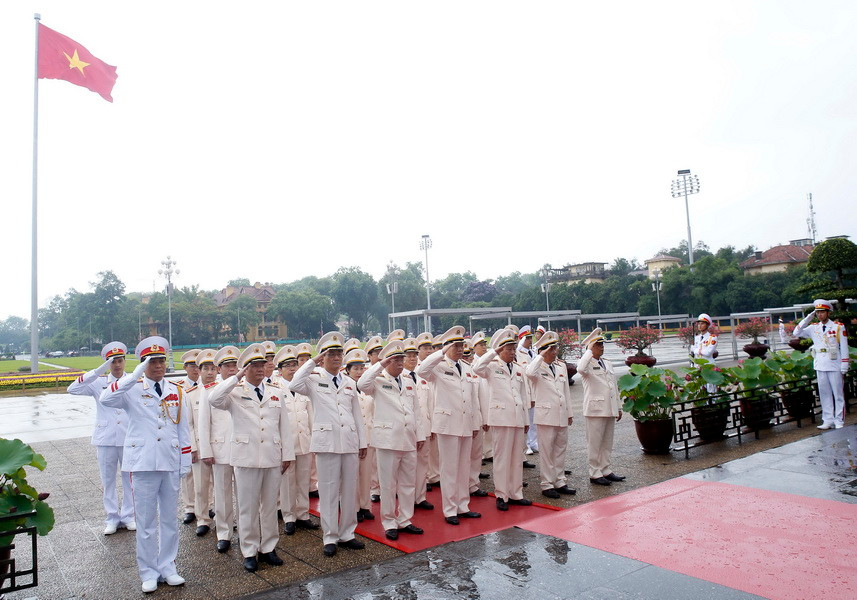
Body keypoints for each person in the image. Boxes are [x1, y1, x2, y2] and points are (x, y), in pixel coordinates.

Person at [99, 336, 191, 594]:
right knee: (147, 522)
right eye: (152, 361)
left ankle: (169, 567)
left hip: (170, 461)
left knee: (170, 520)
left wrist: (185, 461)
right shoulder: (132, 389)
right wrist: (134, 375)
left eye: (161, 360)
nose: (158, 366)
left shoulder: (177, 390)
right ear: (142, 364)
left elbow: (182, 429)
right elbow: (106, 399)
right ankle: (148, 571)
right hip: (142, 464)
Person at [207, 343, 294, 572]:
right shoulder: (234, 392)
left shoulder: (275, 392)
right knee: (247, 507)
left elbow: (284, 426)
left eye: (261, 365)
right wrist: (235, 377)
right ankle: (249, 550)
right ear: (245, 369)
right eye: (253, 366)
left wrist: (288, 454)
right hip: (246, 458)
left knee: (268, 506)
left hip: (272, 456)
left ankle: (268, 547)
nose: (259, 369)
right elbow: (214, 399)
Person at [290, 332, 368, 557]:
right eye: (331, 354)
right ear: (323, 357)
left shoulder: (348, 382)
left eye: (338, 353)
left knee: (349, 490)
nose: (336, 358)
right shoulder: (314, 379)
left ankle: (347, 533)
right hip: (327, 443)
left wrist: (362, 441)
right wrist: (313, 361)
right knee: (329, 491)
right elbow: (295, 383)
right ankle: (330, 536)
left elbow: (357, 414)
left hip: (349, 441)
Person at [357, 341, 425, 540]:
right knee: (388, 485)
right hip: (388, 439)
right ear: (387, 361)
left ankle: (405, 519)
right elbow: (362, 384)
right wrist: (379, 364)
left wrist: (419, 434)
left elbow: (417, 411)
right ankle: (389, 522)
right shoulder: (377, 380)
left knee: (407, 483)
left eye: (401, 359)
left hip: (408, 438)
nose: (400, 362)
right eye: (395, 359)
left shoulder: (409, 381)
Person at [67, 341, 135, 535]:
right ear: (107, 364)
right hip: (105, 437)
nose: (117, 365)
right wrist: (97, 371)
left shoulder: (133, 380)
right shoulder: (98, 382)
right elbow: (72, 389)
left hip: (128, 436)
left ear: (125, 361)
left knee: (129, 478)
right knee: (108, 480)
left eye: (120, 360)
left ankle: (129, 516)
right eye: (113, 362)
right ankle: (112, 517)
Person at [416, 326, 482, 525]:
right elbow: (421, 370)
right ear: (446, 347)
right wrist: (442, 352)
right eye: (456, 346)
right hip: (447, 424)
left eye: (462, 345)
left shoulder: (467, 367)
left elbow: (473, 398)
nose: (460, 349)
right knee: (449, 469)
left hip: (465, 423)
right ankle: (450, 509)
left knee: (464, 466)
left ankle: (463, 505)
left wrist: (476, 421)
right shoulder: (439, 366)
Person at [473, 328, 531, 511]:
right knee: (501, 458)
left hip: (517, 418)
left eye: (514, 349)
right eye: (509, 349)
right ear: (500, 350)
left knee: (516, 457)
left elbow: (523, 395)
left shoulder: (519, 368)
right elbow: (477, 368)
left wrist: (526, 419)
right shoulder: (492, 366)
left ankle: (516, 493)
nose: (513, 352)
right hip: (501, 418)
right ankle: (501, 494)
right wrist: (494, 352)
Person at [198, 346, 239, 553]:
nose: (232, 370)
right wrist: (206, 450)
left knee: (245, 495)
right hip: (220, 449)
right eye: (227, 366)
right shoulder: (209, 391)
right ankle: (224, 533)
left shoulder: (244, 388)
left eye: (234, 365)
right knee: (222, 495)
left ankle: (244, 526)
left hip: (243, 451)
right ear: (219, 368)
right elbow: (203, 424)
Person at [274, 345, 319, 535]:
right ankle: (289, 517)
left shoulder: (303, 387)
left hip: (304, 442)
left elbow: (311, 417)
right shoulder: (275, 389)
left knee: (303, 480)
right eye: (288, 366)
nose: (292, 369)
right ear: (280, 369)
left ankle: (303, 514)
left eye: (294, 365)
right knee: (287, 484)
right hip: (287, 445)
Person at [525, 331, 575, 498]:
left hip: (561, 414)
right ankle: (547, 484)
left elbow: (566, 391)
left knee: (560, 449)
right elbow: (530, 372)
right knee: (547, 451)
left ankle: (559, 480)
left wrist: (569, 412)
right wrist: (540, 356)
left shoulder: (560, 366)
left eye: (555, 349)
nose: (555, 352)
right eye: (551, 350)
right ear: (544, 351)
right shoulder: (537, 367)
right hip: (546, 416)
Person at [576, 328, 624, 486]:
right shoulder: (587, 363)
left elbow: (613, 386)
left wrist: (618, 407)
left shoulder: (607, 363)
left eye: (602, 344)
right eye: (598, 345)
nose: (602, 347)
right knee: (595, 443)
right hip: (595, 409)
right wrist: (588, 351)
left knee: (607, 442)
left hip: (609, 407)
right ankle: (594, 473)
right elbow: (580, 369)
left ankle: (605, 469)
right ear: (590, 347)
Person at [794, 299, 850, 429]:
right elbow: (796, 332)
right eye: (818, 312)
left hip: (834, 363)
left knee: (838, 394)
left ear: (828, 312)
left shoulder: (838, 327)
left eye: (822, 312)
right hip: (820, 363)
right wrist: (809, 317)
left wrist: (844, 365)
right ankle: (827, 419)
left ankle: (839, 420)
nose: (820, 315)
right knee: (824, 393)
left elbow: (844, 347)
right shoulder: (814, 327)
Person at [184, 348, 217, 536]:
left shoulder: (225, 390)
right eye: (206, 369)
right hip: (200, 445)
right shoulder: (191, 394)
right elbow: (188, 424)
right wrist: (193, 448)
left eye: (213, 369)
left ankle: (223, 517)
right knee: (201, 486)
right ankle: (203, 519)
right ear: (199, 370)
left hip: (220, 445)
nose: (210, 373)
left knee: (222, 486)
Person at [403, 337, 434, 511]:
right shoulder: (398, 378)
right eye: (409, 356)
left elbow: (430, 404)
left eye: (415, 356)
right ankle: (406, 498)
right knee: (407, 466)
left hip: (425, 427)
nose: (413, 359)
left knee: (422, 464)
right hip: (407, 429)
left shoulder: (423, 377)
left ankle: (420, 496)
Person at [346, 349, 376, 522]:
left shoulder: (368, 388)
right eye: (355, 369)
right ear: (348, 370)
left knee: (366, 474)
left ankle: (365, 505)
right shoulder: (346, 388)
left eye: (361, 368)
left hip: (369, 435)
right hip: (352, 438)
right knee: (352, 476)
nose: (359, 372)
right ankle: (354, 507)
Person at [178, 349, 202, 527]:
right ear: (185, 367)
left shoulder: (209, 385)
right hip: (188, 436)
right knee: (189, 475)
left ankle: (207, 505)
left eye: (197, 366)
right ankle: (190, 507)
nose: (195, 369)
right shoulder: (179, 388)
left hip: (206, 437)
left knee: (207, 477)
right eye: (191, 366)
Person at [516, 325, 539, 455]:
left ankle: (533, 442)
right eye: (528, 338)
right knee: (525, 419)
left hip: (534, 389)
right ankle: (526, 445)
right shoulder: (518, 353)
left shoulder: (533, 353)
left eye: (531, 338)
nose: (530, 340)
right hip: (524, 389)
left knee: (534, 418)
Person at [690, 314, 719, 395]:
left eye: (702, 323)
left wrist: (697, 350)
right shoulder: (696, 338)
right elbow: (692, 352)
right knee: (700, 390)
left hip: (708, 366)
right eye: (698, 323)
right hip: (698, 366)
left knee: (711, 390)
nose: (700, 325)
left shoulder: (712, 338)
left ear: (707, 325)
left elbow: (708, 352)